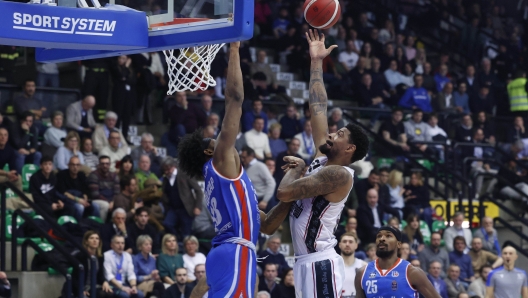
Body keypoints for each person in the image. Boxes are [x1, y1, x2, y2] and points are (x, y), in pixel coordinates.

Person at [177, 42, 294, 297]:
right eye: (213, 139)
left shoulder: (225, 184)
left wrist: (290, 192)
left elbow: (268, 225)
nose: (220, 140)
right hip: (236, 250)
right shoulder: (220, 159)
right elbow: (235, 99)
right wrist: (234, 49)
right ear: (210, 151)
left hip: (228, 250)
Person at [274, 30, 369, 298]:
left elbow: (284, 193)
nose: (330, 134)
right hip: (304, 261)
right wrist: (316, 61)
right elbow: (318, 105)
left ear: (349, 148)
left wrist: (298, 168)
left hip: (319, 262)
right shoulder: (322, 157)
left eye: (339, 135)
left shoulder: (339, 174)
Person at [355, 226, 441, 298]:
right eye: (379, 236)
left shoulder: (412, 272)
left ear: (399, 244)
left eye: (388, 236)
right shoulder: (362, 273)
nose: (382, 239)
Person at [160, 157, 203, 240]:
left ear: (172, 166)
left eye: (167, 169)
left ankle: (184, 248)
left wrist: (198, 206)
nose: (166, 172)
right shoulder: (166, 178)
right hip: (173, 209)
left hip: (186, 209)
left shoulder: (185, 174)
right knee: (167, 224)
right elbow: (165, 193)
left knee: (186, 234)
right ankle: (177, 240)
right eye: (164, 170)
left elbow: (198, 190)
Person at [55, 156, 91, 221]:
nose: (75, 167)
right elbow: (63, 192)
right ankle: (77, 227)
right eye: (73, 165)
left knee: (96, 206)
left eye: (77, 165)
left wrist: (85, 200)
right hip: (68, 200)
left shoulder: (81, 175)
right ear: (68, 165)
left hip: (81, 199)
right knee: (80, 207)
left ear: (80, 166)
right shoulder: (61, 175)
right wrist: (78, 200)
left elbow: (86, 190)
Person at [241, 146, 276, 210]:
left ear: (251, 156)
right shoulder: (246, 167)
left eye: (244, 157)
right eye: (241, 157)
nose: (242, 159)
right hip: (253, 201)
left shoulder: (260, 166)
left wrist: (265, 200)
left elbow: (271, 183)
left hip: (263, 201)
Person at [88, 155, 120, 222]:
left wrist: (113, 202)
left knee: (121, 203)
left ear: (110, 164)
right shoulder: (94, 175)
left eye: (107, 164)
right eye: (102, 164)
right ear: (99, 165)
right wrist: (109, 202)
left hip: (111, 200)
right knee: (105, 205)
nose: (105, 166)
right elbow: (95, 194)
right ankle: (101, 225)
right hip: (96, 200)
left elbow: (117, 192)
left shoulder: (114, 176)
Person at [340, 232, 367, 298]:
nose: (347, 244)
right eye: (344, 241)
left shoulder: (364, 266)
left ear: (356, 245)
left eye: (350, 242)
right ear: (339, 245)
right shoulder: (332, 266)